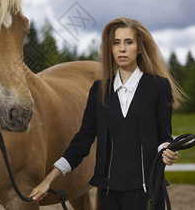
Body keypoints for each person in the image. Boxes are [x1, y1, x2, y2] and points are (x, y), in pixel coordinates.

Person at [29, 17, 185, 210]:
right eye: (116, 43)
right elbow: (82, 141)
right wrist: (49, 179)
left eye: (128, 42)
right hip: (110, 193)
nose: (121, 49)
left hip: (147, 191)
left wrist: (168, 150)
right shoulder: (98, 90)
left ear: (140, 48)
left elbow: (164, 137)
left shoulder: (159, 87)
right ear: (110, 49)